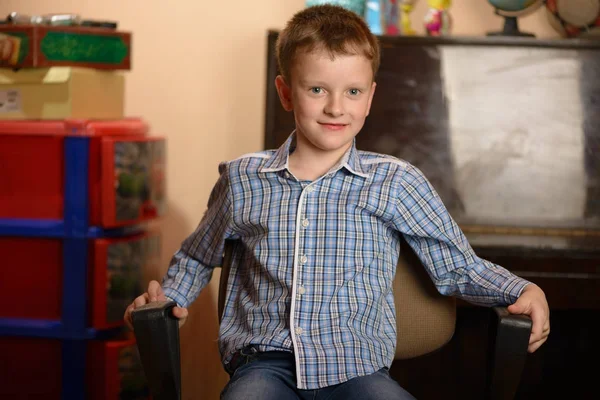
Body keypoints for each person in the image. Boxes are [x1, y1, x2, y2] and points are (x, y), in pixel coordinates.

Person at [124, 4, 550, 399]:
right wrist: (169, 296)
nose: (334, 107)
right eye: (316, 89)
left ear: (370, 96)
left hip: (356, 369)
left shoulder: (396, 181)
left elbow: (456, 265)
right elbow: (198, 256)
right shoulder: (243, 180)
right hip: (264, 367)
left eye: (352, 92)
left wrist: (519, 287)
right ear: (286, 92)